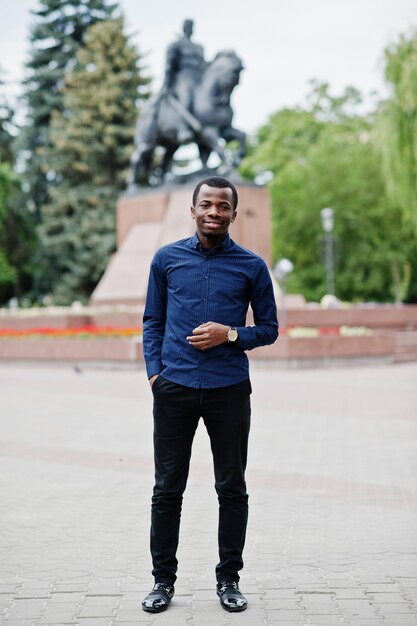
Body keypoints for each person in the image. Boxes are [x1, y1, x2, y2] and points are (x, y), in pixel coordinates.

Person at [141, 176, 279, 613]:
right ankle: (163, 582)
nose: (214, 212)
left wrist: (231, 334)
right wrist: (154, 375)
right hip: (174, 388)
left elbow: (269, 330)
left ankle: (229, 580)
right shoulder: (166, 259)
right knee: (167, 489)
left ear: (234, 214)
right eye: (207, 205)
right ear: (194, 209)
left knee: (231, 488)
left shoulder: (251, 266)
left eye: (223, 206)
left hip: (229, 390)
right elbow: (152, 321)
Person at [161, 19, 205, 144]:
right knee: (187, 96)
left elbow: (203, 65)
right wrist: (166, 86)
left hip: (198, 80)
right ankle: (183, 129)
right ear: (183, 28)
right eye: (188, 26)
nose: (190, 29)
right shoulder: (176, 45)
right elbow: (169, 66)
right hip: (182, 80)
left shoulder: (199, 47)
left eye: (192, 26)